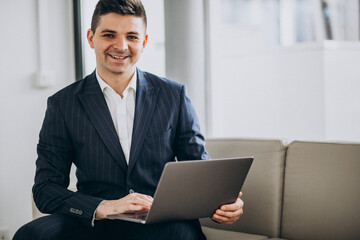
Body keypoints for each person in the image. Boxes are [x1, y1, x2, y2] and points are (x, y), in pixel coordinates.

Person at [14, 0, 244, 239]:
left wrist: (223, 203)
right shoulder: (63, 104)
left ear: (143, 42)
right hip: (95, 221)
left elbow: (200, 172)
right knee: (31, 234)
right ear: (91, 38)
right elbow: (45, 190)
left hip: (158, 223)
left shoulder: (173, 95)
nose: (121, 46)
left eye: (132, 36)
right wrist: (103, 207)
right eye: (109, 34)